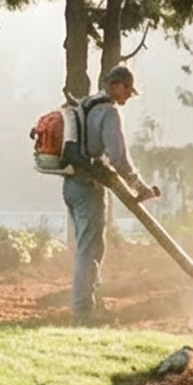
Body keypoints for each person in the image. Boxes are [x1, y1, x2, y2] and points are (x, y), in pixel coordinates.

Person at [62, 63, 160, 325]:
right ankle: (83, 312)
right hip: (88, 186)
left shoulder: (86, 104)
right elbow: (118, 157)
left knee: (89, 246)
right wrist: (140, 187)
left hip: (70, 185)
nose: (128, 95)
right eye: (127, 89)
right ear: (115, 85)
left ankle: (88, 304)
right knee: (89, 249)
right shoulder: (109, 112)